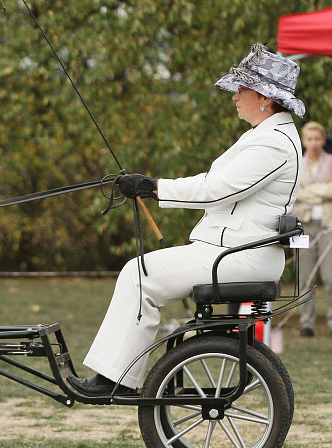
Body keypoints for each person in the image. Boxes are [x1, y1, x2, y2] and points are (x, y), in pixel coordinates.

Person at [71, 44, 304, 396]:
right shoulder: (267, 136)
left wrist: (153, 187)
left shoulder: (274, 143)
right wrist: (153, 187)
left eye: (241, 89)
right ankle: (115, 376)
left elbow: (217, 190)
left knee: (138, 275)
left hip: (238, 255)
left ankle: (114, 379)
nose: (234, 97)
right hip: (233, 251)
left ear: (264, 98)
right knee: (139, 273)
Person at [293, 121, 332, 337]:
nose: (314, 143)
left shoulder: (331, 162)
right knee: (304, 276)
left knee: (330, 276)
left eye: (318, 138)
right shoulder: (298, 163)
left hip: (328, 225)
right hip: (302, 225)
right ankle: (306, 323)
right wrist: (322, 192)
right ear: (304, 141)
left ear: (323, 140)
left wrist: (310, 190)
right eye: (310, 139)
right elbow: (295, 193)